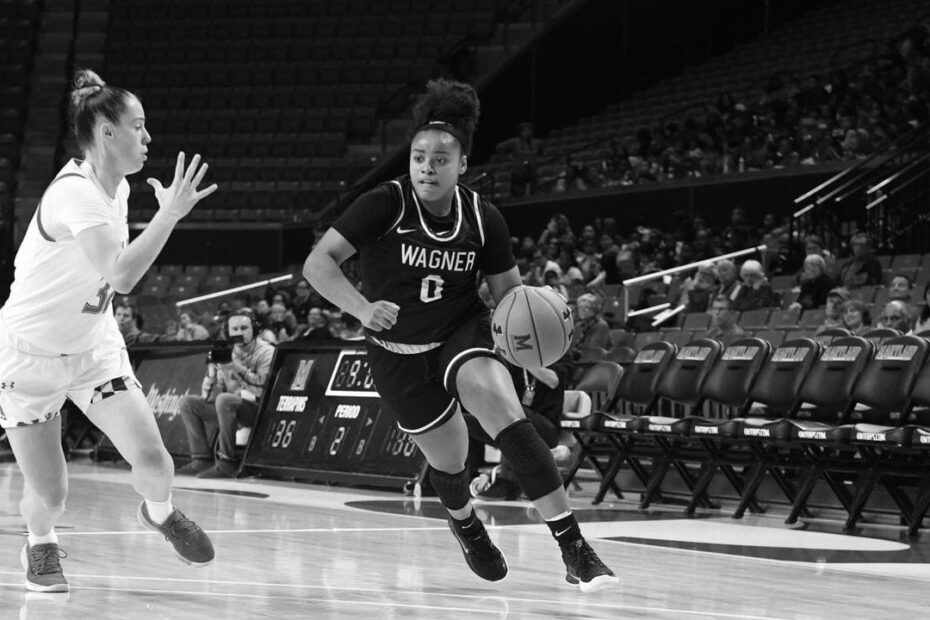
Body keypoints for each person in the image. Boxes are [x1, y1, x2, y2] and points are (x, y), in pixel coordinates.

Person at [304, 79, 616, 592]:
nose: (427, 166)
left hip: (460, 330)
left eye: (440, 159)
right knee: (447, 460)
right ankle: (465, 523)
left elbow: (511, 296)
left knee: (501, 406)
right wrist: (361, 307)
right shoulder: (384, 203)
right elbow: (319, 263)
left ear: (462, 165)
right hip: (396, 350)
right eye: (419, 156)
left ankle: (575, 548)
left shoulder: (482, 217)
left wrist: (529, 356)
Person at [0, 69, 216, 592]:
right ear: (107, 134)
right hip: (31, 358)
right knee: (49, 495)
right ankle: (40, 544)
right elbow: (120, 274)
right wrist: (168, 216)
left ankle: (160, 513)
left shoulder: (115, 190)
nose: (148, 138)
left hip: (94, 348)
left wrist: (160, 215)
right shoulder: (74, 193)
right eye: (138, 127)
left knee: (155, 462)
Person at [176, 308, 275, 478]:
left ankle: (227, 462)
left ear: (255, 329)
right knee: (188, 402)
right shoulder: (226, 352)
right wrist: (211, 373)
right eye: (234, 329)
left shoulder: (267, 352)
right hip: (229, 409)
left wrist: (233, 367)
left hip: (259, 411)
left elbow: (261, 388)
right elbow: (210, 397)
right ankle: (202, 459)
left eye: (244, 328)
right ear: (227, 332)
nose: (239, 333)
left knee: (225, 400)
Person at [496, 121, 544, 197]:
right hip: (518, 170)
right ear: (521, 132)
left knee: (534, 191)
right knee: (517, 193)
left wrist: (536, 158)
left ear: (531, 131)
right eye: (524, 131)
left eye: (528, 130)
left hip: (532, 169)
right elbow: (499, 147)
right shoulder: (514, 141)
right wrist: (508, 156)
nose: (526, 132)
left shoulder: (537, 142)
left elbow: (541, 152)